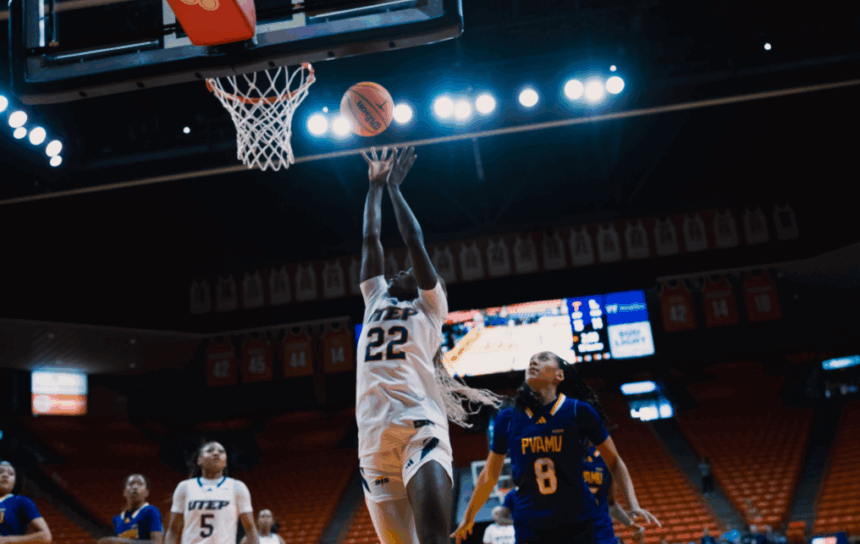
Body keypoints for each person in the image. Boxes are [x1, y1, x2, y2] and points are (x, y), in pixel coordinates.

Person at [356, 147, 502, 544]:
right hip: (372, 441)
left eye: (411, 271)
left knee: (435, 539)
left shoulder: (431, 307)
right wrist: (374, 185)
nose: (402, 268)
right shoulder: (376, 298)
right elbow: (371, 237)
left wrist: (395, 190)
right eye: (398, 269)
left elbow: (413, 240)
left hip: (420, 429)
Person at [452, 352, 658, 544]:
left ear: (559, 375)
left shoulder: (579, 411)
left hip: (577, 521)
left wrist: (633, 505)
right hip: (530, 526)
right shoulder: (507, 417)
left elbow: (614, 462)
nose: (533, 362)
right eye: (531, 361)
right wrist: (469, 516)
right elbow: (489, 474)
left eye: (542, 359)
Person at [164, 441, 258, 544]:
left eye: (221, 451)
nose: (216, 453)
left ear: (225, 461)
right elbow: (173, 530)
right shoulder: (185, 487)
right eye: (210, 450)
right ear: (199, 460)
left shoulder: (237, 487)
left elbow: (250, 529)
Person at [99, 474, 163, 544]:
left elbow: (157, 542)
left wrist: (122, 542)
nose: (135, 487)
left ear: (146, 492)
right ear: (124, 492)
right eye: (131, 484)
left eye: (140, 484)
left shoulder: (151, 511)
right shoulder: (116, 520)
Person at [0, 461, 52, 544]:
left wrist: (6, 540)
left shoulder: (21, 501)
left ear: (15, 481)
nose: (5, 475)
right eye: (0, 472)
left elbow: (46, 536)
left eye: (11, 473)